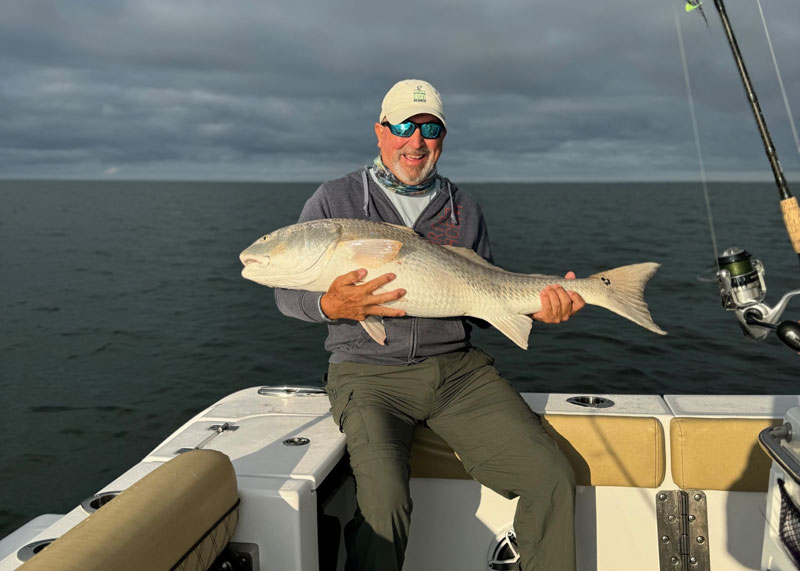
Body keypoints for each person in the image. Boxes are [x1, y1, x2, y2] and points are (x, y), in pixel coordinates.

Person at [275, 79, 584, 571]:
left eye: (429, 129)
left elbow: (482, 300)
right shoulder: (334, 202)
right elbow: (286, 294)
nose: (414, 142)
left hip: (460, 376)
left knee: (551, 476)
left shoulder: (465, 209)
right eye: (402, 127)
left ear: (442, 137)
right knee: (384, 505)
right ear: (380, 132)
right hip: (369, 375)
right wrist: (331, 306)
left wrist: (539, 308)